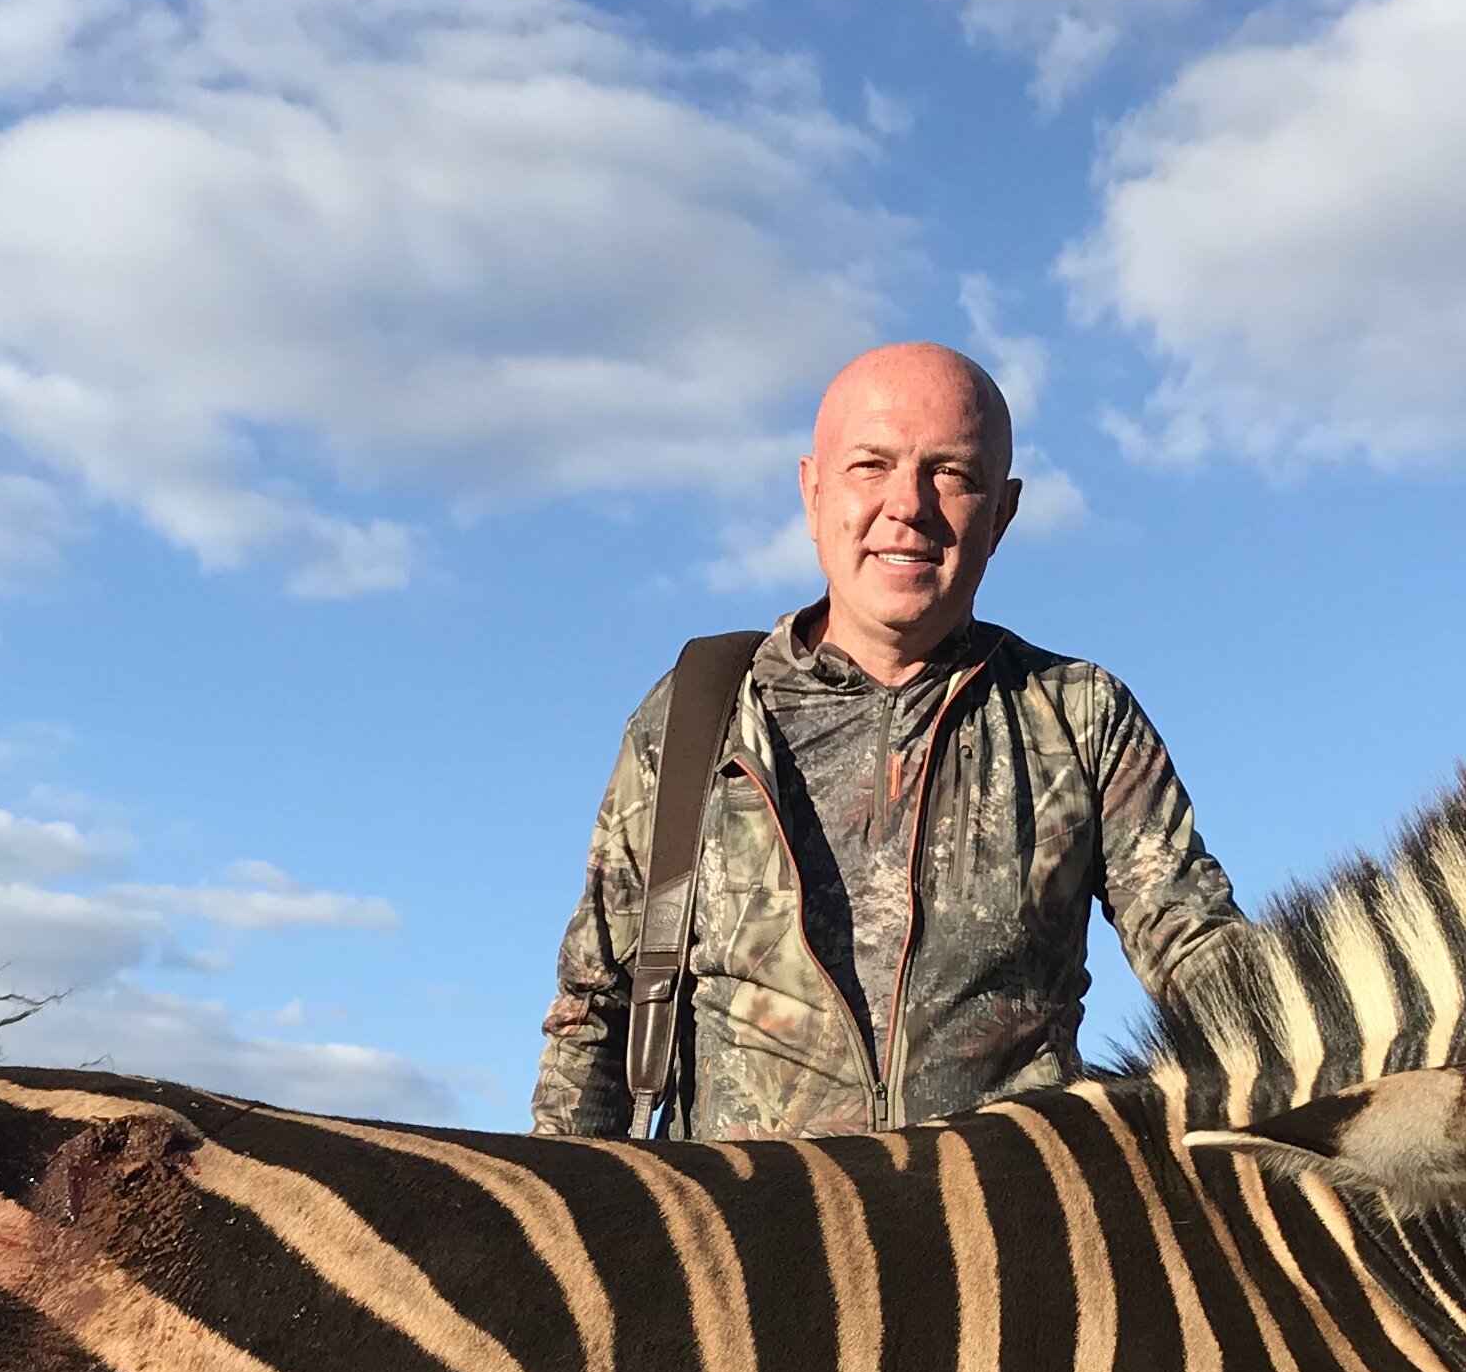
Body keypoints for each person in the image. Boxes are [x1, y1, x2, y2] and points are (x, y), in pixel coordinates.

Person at [529, 343, 1246, 1139]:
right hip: (737, 1246)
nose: (907, 505)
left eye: (952, 473)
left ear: (1002, 513)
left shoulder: (1079, 716)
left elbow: (1207, 964)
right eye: (871, 465)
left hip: (1005, 1243)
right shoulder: (696, 716)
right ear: (812, 492)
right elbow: (593, 1014)